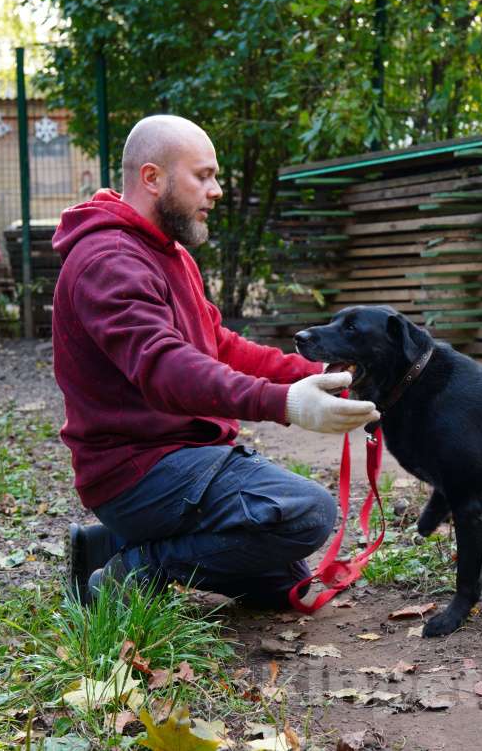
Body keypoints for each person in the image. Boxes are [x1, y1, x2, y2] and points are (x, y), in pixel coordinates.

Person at [53, 114, 379, 608]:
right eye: (203, 176)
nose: (217, 190)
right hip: (139, 470)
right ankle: (130, 571)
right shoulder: (108, 261)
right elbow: (165, 368)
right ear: (152, 178)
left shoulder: (168, 252)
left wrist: (316, 375)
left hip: (181, 457)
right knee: (309, 513)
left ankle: (106, 545)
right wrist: (284, 403)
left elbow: (217, 343)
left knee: (285, 583)